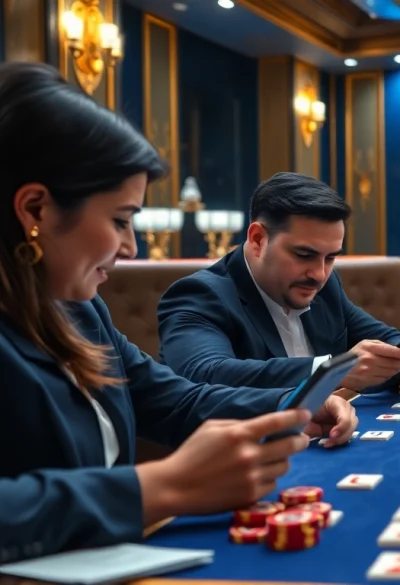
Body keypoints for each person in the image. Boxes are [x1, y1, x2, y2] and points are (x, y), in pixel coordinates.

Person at [0, 62, 356, 561]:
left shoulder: (80, 311)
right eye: (121, 220)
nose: (131, 248)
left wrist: (292, 405)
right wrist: (161, 487)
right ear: (35, 210)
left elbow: (176, 402)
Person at [157, 172, 400, 393]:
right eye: (304, 255)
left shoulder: (325, 284)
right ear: (258, 239)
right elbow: (207, 373)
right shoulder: (198, 295)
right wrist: (336, 370)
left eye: (330, 258)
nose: (319, 274)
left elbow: (385, 338)